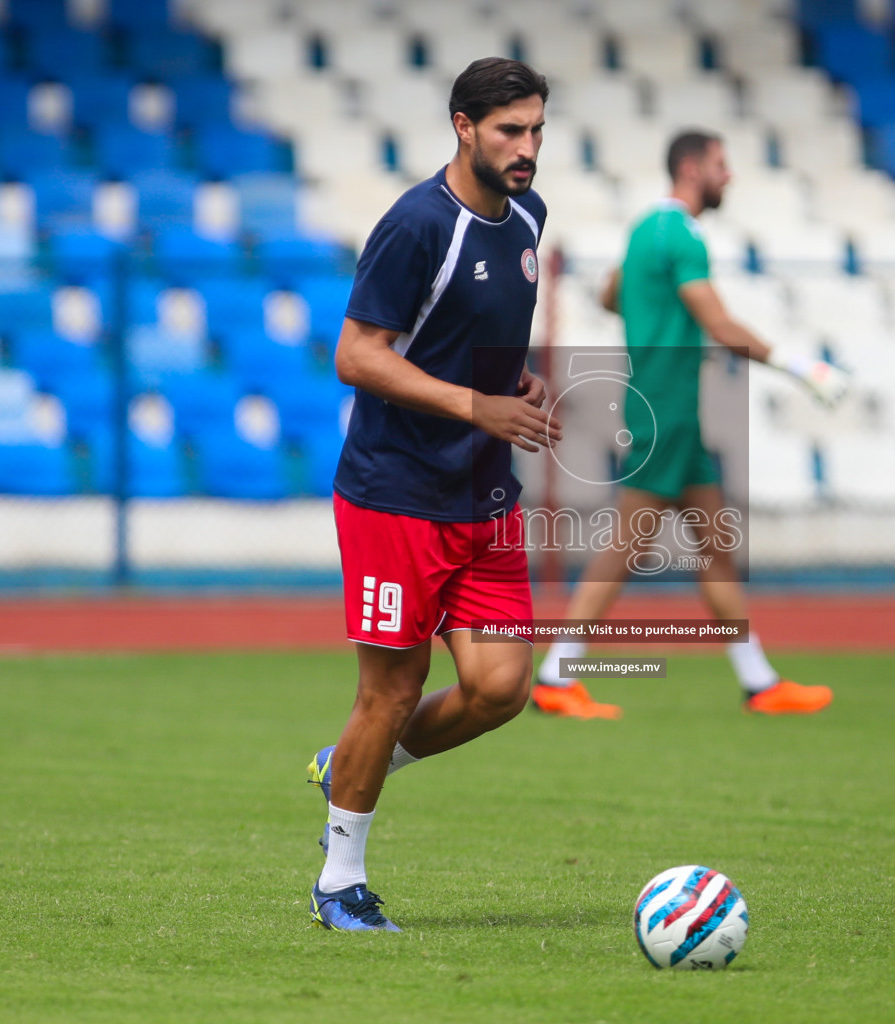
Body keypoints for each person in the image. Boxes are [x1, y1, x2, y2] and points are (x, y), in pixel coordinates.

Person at [304, 57, 557, 932]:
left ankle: (351, 764)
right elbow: (358, 354)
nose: (526, 149)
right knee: (394, 691)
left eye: (535, 130)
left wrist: (509, 386)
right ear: (463, 126)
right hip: (397, 497)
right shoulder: (416, 225)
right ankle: (340, 882)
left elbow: (474, 331)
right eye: (508, 131)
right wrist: (473, 403)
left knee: (499, 689)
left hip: (481, 494)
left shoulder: (529, 215)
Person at [531, 130, 848, 719]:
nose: (729, 177)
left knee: (713, 547)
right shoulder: (684, 235)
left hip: (668, 411)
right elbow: (721, 326)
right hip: (667, 413)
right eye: (722, 165)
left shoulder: (644, 229)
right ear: (692, 167)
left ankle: (759, 681)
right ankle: (555, 673)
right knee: (626, 547)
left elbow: (609, 295)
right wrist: (805, 368)